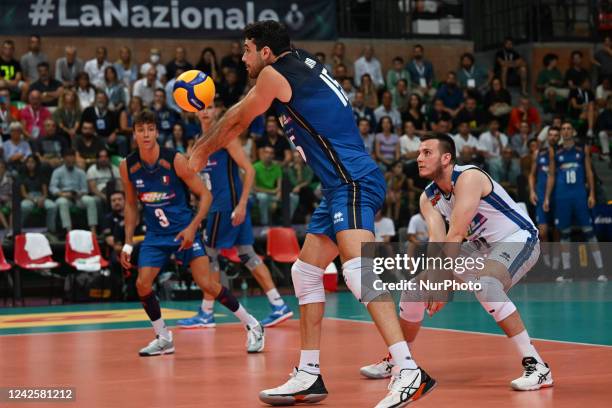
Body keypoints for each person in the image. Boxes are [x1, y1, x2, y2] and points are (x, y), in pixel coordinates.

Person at [189, 20, 436, 407]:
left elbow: (239, 118)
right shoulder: (301, 63)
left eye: (247, 49)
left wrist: (201, 150)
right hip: (339, 186)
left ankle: (408, 370)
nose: (242, 57)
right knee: (304, 272)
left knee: (358, 272)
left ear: (266, 53)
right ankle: (309, 375)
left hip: (353, 180)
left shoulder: (274, 75)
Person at [361, 133, 554, 392]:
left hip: (517, 238)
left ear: (446, 158)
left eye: (427, 152)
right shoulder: (428, 197)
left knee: (486, 285)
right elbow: (438, 241)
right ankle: (400, 360)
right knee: (414, 290)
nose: (419, 158)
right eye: (419, 153)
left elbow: (456, 234)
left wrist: (441, 283)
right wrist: (433, 280)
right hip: (479, 247)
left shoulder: (469, 177)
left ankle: (538, 367)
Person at [119, 110, 264, 356]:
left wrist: (192, 226)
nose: (146, 134)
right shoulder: (127, 166)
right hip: (156, 236)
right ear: (134, 134)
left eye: (150, 129)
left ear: (156, 131)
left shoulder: (175, 160)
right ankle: (163, 337)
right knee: (142, 284)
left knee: (206, 283)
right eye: (141, 130)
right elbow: (131, 205)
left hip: (184, 232)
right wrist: (127, 243)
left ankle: (252, 324)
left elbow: (205, 195)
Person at [177, 104, 293, 329]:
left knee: (208, 254)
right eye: (201, 108)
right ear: (194, 112)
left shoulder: (225, 136)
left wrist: (241, 205)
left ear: (217, 110)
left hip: (226, 206)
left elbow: (249, 170)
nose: (206, 111)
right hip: (217, 206)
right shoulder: (198, 142)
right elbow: (195, 177)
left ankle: (206, 313)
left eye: (210, 107)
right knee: (247, 254)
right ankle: (278, 304)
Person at [543, 121, 605, 281]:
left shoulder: (581, 149)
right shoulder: (555, 152)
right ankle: (567, 272)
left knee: (589, 231)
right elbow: (551, 176)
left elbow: (589, 172)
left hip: (579, 196)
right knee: (564, 233)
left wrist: (591, 194)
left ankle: (600, 270)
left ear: (573, 131)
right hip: (562, 197)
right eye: (563, 129)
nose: (565, 131)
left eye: (568, 128)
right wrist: (547, 197)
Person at [529, 126, 560, 271]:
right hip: (541, 197)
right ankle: (548, 265)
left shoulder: (562, 153)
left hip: (558, 197)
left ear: (558, 137)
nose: (553, 137)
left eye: (555, 135)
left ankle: (557, 264)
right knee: (543, 232)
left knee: (557, 232)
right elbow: (532, 175)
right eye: (551, 135)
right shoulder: (539, 153)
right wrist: (532, 191)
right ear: (547, 137)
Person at [20, 155, 57, 232]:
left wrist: (42, 199)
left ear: (36, 163)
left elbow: (45, 193)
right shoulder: (22, 176)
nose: (30, 164)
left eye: (32, 162)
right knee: (24, 206)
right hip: (29, 197)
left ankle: (51, 230)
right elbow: (23, 194)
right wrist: (34, 200)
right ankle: (19, 229)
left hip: (41, 197)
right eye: (28, 162)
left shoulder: (41, 175)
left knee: (52, 206)